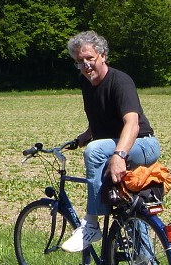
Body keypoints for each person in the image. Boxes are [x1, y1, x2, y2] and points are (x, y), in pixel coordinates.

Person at [61, 30, 161, 253]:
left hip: (143, 144)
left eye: (89, 58)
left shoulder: (120, 81)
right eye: (79, 61)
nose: (85, 65)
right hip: (119, 145)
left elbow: (132, 124)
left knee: (95, 151)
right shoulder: (86, 83)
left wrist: (119, 156)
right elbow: (102, 117)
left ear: (102, 55)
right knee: (129, 210)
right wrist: (85, 136)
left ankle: (91, 224)